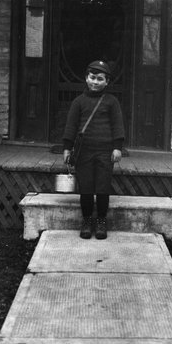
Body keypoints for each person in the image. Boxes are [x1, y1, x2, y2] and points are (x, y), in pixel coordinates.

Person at [63, 60, 125, 240]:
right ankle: (87, 220)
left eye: (100, 79)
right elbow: (71, 126)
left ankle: (101, 222)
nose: (95, 82)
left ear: (107, 82)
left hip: (105, 152)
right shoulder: (78, 102)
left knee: (103, 187)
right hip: (84, 152)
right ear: (86, 78)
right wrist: (67, 148)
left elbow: (118, 125)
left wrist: (117, 148)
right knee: (86, 188)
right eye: (92, 78)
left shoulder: (111, 102)